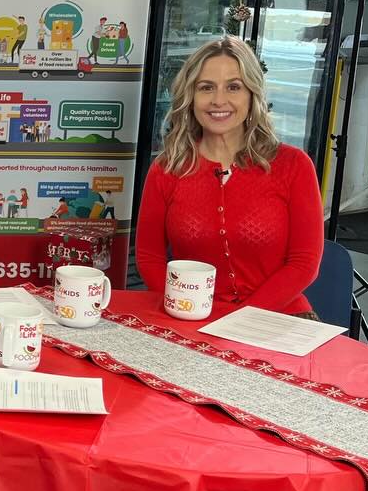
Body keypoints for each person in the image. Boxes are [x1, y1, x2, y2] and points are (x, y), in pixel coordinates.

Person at [137, 35, 323, 315]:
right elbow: (149, 258)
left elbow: (304, 263)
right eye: (206, 88)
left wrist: (240, 321)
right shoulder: (167, 169)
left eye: (233, 87)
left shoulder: (293, 165)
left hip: (282, 319)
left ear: (252, 95)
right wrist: (184, 308)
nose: (218, 100)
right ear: (191, 97)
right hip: (192, 319)